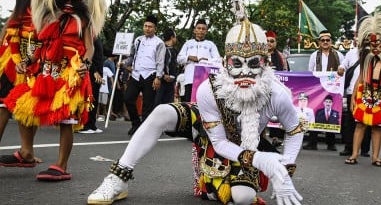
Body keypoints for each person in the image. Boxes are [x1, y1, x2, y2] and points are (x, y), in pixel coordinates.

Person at [87, 14, 303, 205]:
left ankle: (216, 183)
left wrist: (285, 171)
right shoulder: (209, 89)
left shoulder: (277, 93)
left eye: (254, 63)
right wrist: (258, 160)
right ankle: (118, 178)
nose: (244, 72)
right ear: (225, 63)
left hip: (247, 143)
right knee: (162, 112)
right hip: (210, 130)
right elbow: (218, 141)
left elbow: (294, 129)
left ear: (265, 63)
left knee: (243, 198)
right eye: (236, 63)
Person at [2, 0, 109, 180]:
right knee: (24, 105)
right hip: (47, 70)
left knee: (66, 119)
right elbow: (41, 45)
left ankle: (61, 165)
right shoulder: (49, 17)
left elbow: (90, 48)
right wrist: (26, 61)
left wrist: (85, 65)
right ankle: (26, 151)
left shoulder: (84, 21)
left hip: (71, 71)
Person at [0, 0, 45, 166]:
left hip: (34, 49)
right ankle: (26, 151)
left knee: (26, 102)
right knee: (6, 101)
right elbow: (13, 21)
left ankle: (27, 151)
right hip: (22, 50)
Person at [345, 13, 381, 167]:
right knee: (360, 124)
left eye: (378, 43)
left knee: (377, 127)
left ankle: (375, 157)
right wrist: (354, 97)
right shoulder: (366, 58)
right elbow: (360, 78)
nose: (375, 47)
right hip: (365, 92)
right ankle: (354, 154)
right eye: (372, 44)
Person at [123, 15, 166, 136]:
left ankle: (144, 130)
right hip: (136, 74)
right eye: (146, 26)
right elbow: (132, 56)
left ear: (155, 29)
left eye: (150, 27)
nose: (147, 28)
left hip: (150, 75)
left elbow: (160, 61)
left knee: (148, 105)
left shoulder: (159, 43)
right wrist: (124, 63)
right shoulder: (138, 40)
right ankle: (136, 123)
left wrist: (158, 77)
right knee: (128, 98)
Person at [304, 30, 344, 151]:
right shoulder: (314, 55)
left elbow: (342, 72)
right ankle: (312, 142)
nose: (325, 42)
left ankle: (331, 143)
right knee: (316, 112)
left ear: (331, 42)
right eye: (323, 40)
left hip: (333, 88)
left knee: (331, 112)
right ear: (319, 42)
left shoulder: (339, 55)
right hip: (317, 89)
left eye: (328, 40)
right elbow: (310, 72)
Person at [337, 44, 371, 156]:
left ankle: (365, 149)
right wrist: (341, 68)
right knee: (350, 121)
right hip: (352, 91)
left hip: (368, 92)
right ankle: (349, 147)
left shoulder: (373, 52)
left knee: (367, 120)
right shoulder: (352, 52)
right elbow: (344, 64)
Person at [177, 19, 221, 102]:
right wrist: (189, 57)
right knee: (189, 102)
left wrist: (206, 60)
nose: (201, 30)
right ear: (195, 30)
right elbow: (179, 59)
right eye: (199, 28)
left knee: (203, 102)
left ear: (206, 31)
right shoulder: (188, 43)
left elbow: (218, 60)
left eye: (203, 29)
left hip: (205, 79)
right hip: (189, 78)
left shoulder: (210, 44)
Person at [265, 31, 288, 146]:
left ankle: (276, 138)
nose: (269, 43)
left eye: (271, 41)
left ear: (276, 43)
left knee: (277, 111)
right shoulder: (259, 55)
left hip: (277, 88)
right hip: (262, 89)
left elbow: (287, 73)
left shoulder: (281, 57)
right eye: (267, 41)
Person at [79, 39, 105, 134]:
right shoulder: (89, 36)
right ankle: (85, 125)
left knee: (94, 98)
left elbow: (103, 51)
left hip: (98, 72)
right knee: (88, 98)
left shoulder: (97, 37)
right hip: (90, 72)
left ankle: (92, 125)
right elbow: (87, 56)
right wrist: (94, 71)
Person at [154, 28, 178, 105]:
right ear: (172, 37)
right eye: (175, 37)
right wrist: (163, 75)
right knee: (157, 103)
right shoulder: (161, 48)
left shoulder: (174, 51)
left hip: (171, 82)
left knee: (168, 104)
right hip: (160, 80)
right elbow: (156, 63)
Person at [97, 56, 115, 122]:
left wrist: (113, 84)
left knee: (104, 103)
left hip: (105, 88)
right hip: (99, 88)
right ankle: (97, 114)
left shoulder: (106, 69)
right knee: (98, 103)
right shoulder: (98, 68)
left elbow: (111, 77)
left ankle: (105, 113)